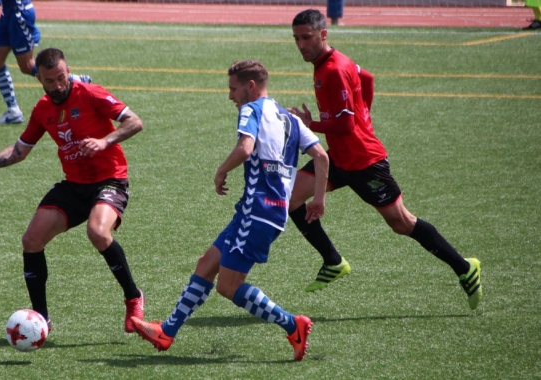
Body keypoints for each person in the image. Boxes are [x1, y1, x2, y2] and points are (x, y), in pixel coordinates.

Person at [130, 60, 329, 361]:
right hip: (265, 213)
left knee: (228, 286)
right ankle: (167, 332)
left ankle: (292, 325)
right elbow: (322, 157)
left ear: (250, 86)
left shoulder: (251, 110)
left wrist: (221, 171)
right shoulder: (290, 118)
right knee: (206, 263)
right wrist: (318, 199)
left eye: (233, 89)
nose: (230, 96)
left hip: (257, 212)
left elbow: (245, 148)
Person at [286, 9, 482, 310]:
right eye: (297, 39)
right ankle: (333, 261)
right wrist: (366, 114)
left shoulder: (334, 70)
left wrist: (311, 125)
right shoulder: (333, 62)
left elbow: (346, 126)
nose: (301, 45)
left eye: (307, 38)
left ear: (323, 34)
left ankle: (465, 268)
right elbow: (367, 78)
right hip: (339, 158)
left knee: (402, 223)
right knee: (291, 197)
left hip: (365, 162)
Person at [0, 47, 145, 334]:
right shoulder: (42, 109)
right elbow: (18, 152)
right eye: (49, 81)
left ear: (68, 72)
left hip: (109, 180)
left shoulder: (91, 93)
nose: (58, 86)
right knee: (31, 239)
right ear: (39, 78)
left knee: (98, 232)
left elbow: (135, 122)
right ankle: (41, 320)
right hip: (74, 185)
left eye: (61, 78)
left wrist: (104, 141)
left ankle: (133, 296)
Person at [0, 0, 91, 125]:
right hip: (9, 11)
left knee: (27, 66)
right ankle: (13, 111)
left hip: (18, 13)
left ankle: (76, 80)